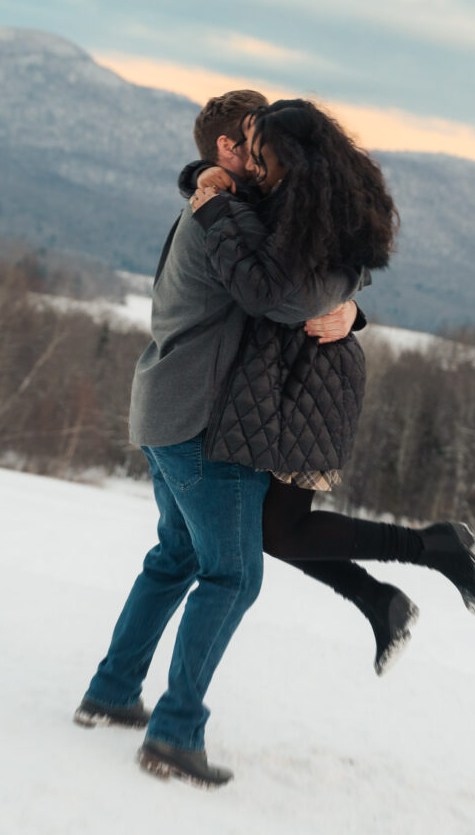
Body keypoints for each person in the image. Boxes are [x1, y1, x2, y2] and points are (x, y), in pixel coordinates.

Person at [73, 90, 365, 789]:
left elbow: (298, 278)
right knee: (231, 575)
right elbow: (288, 295)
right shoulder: (219, 215)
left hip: (166, 409)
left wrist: (350, 312)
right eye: (254, 143)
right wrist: (342, 300)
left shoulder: (220, 206)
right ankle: (173, 736)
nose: (266, 154)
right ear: (228, 153)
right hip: (202, 425)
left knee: (175, 555)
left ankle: (111, 692)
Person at [189, 99, 475, 671]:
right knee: (276, 529)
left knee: (281, 531)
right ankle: (384, 596)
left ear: (292, 160)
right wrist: (203, 179)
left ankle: (428, 551)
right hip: (294, 372)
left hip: (309, 379)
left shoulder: (310, 219)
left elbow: (264, 292)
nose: (254, 165)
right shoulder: (299, 200)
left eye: (261, 156)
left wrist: (212, 209)